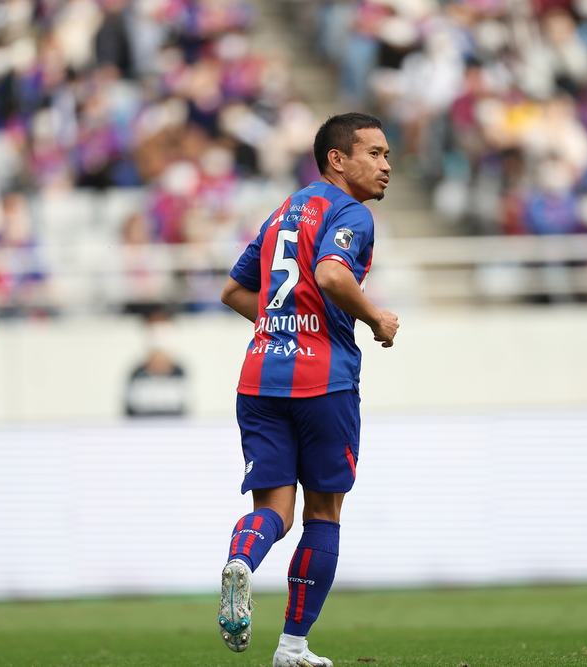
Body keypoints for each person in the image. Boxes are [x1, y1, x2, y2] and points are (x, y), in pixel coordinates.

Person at [217, 112, 399, 667]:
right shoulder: (351, 213)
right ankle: (292, 646)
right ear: (337, 159)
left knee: (275, 509)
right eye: (374, 154)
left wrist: (282, 325)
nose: (386, 166)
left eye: (387, 156)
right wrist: (376, 318)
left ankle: (241, 563)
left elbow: (234, 291)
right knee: (323, 512)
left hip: (260, 377)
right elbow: (331, 275)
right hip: (323, 381)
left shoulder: (284, 212)